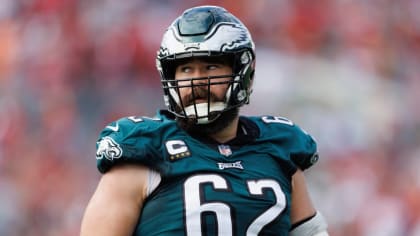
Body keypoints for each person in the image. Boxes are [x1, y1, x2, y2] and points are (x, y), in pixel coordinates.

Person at [80, 5, 328, 236]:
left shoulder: (278, 148)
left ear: (243, 74)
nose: (197, 80)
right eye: (186, 69)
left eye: (210, 67)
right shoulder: (142, 150)